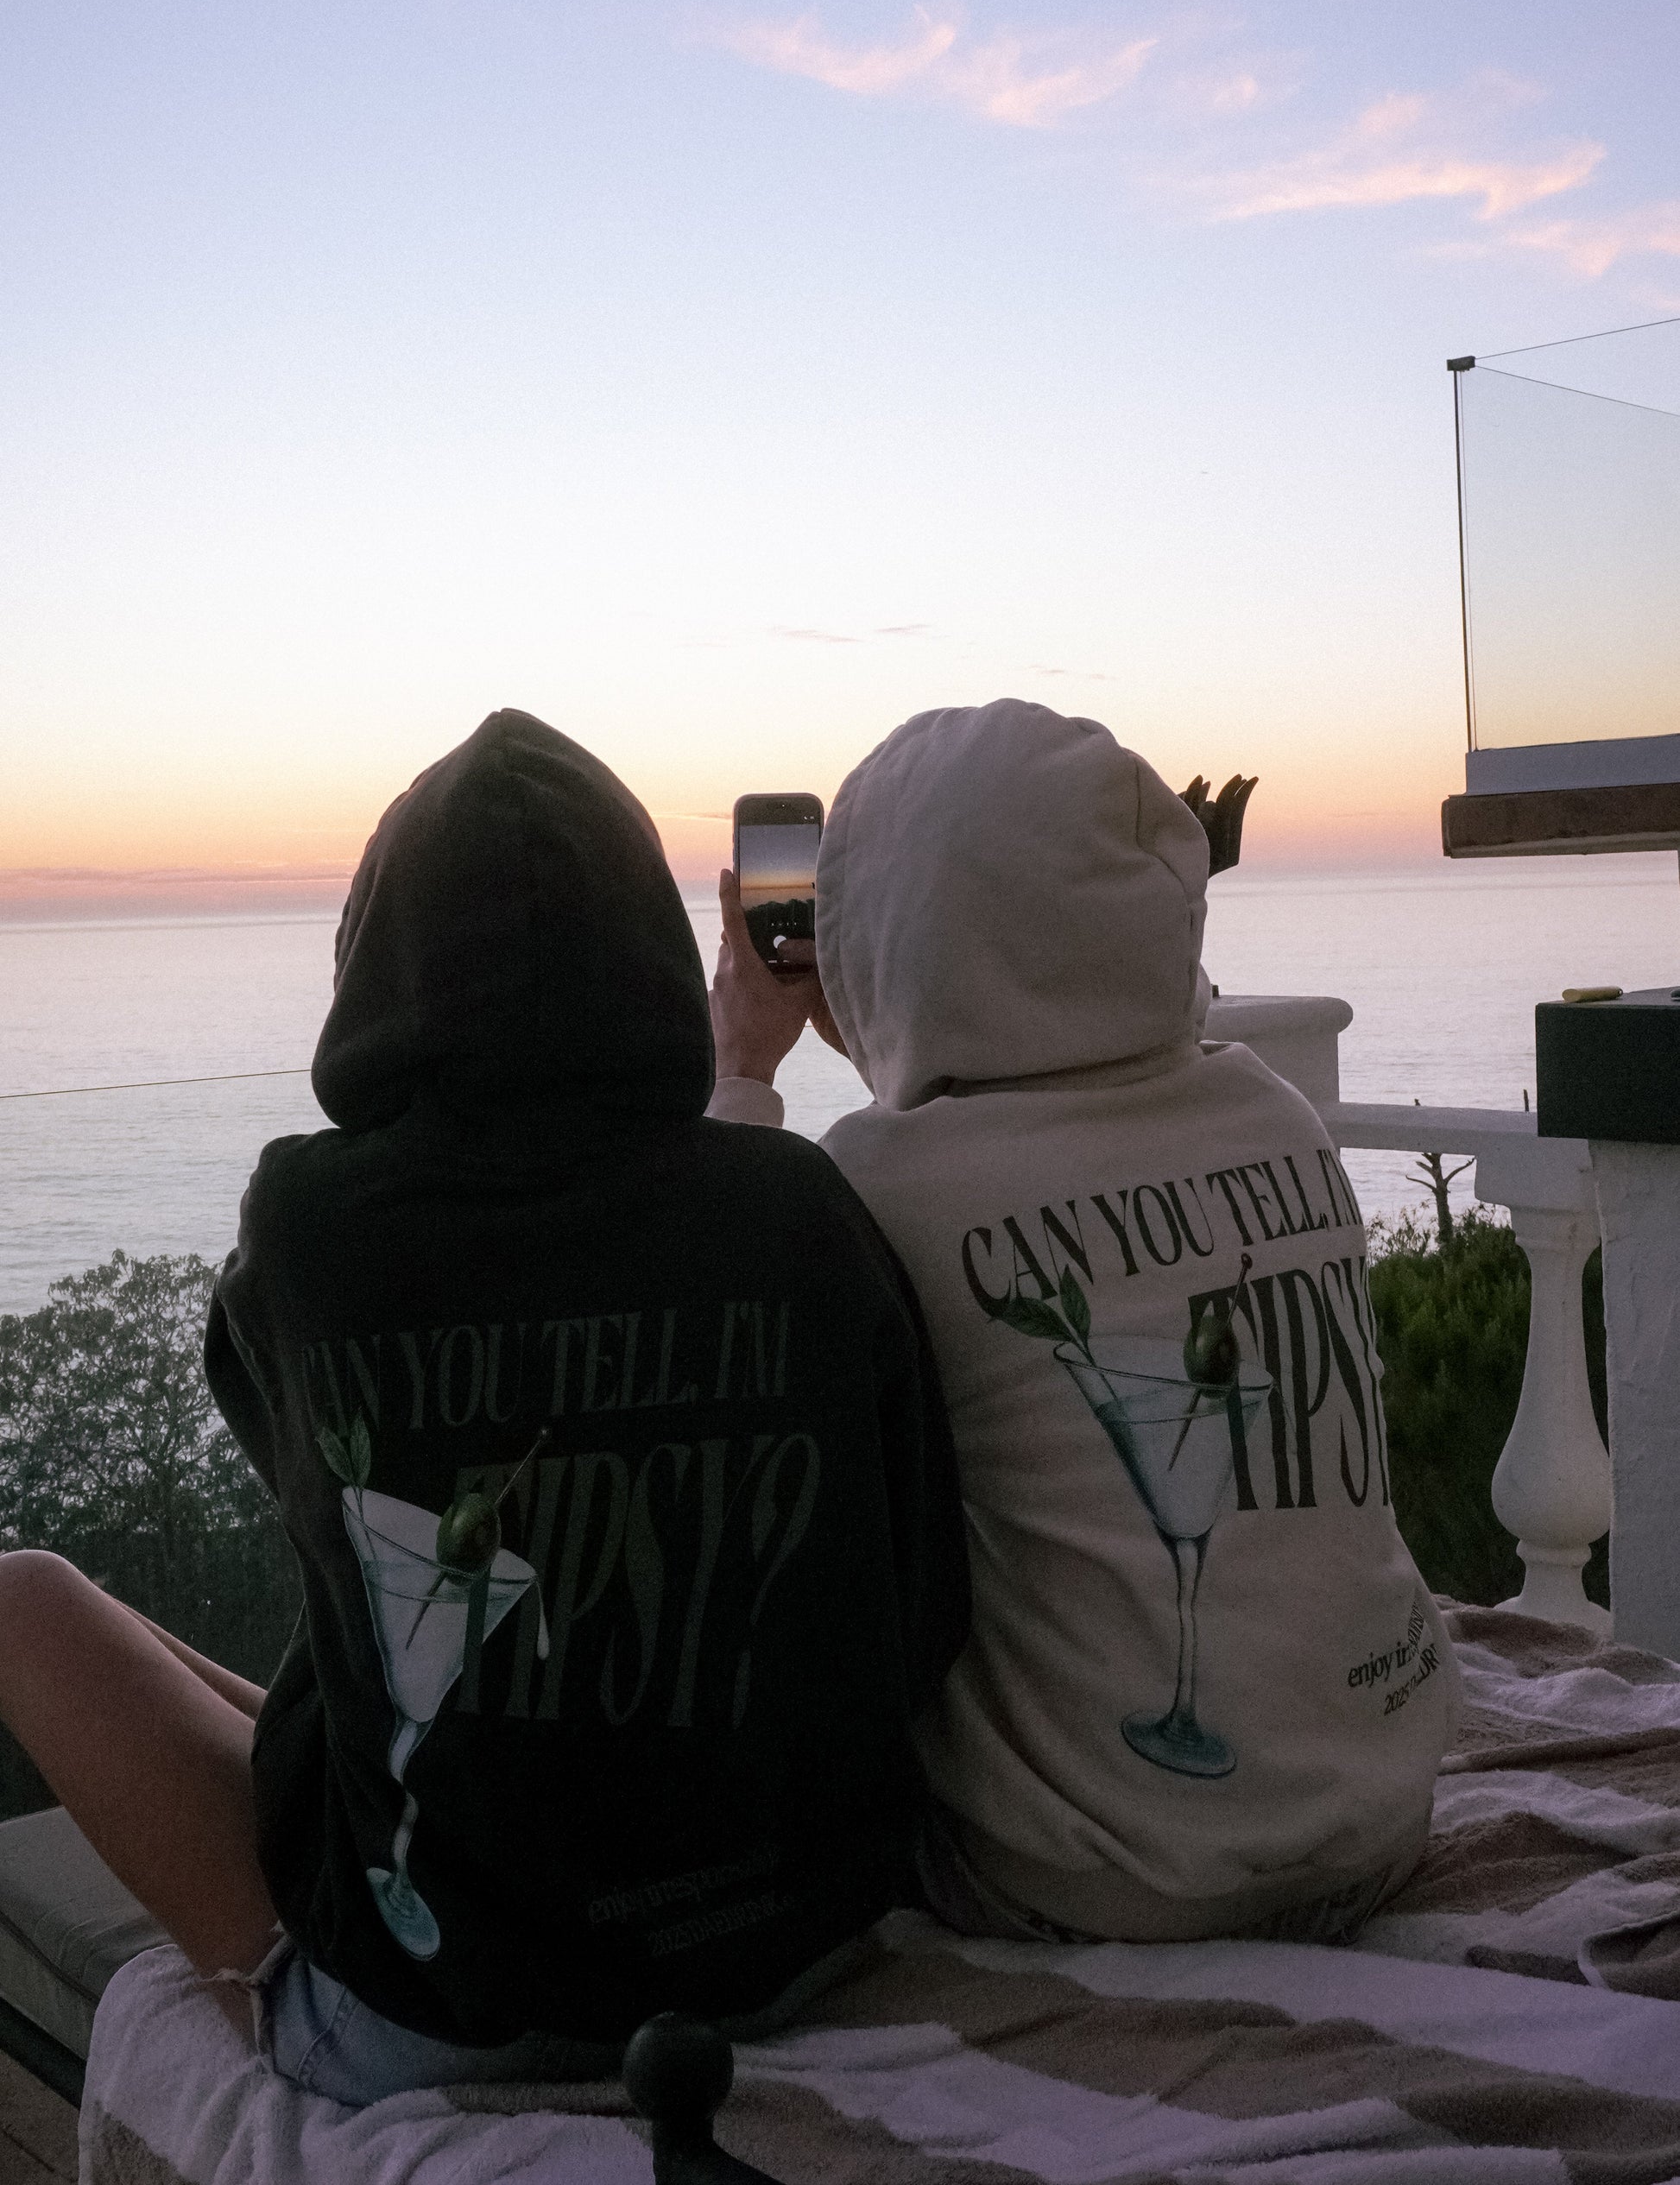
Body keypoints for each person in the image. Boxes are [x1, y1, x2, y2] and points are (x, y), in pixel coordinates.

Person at [0, 709, 969, 2103]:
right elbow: (922, 1603)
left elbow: (304, 1486)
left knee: (24, 1598)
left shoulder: (314, 1226)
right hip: (796, 1952)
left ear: (374, 963)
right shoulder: (802, 1208)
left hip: (440, 2011)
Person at [710, 697, 1458, 1945]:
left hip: (1098, 1880)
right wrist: (894, 1022)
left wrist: (742, 1067)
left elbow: (726, 1362)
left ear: (883, 932)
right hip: (1381, 1825)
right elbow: (1020, 1128)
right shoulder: (1272, 1112)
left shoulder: (875, 1187)